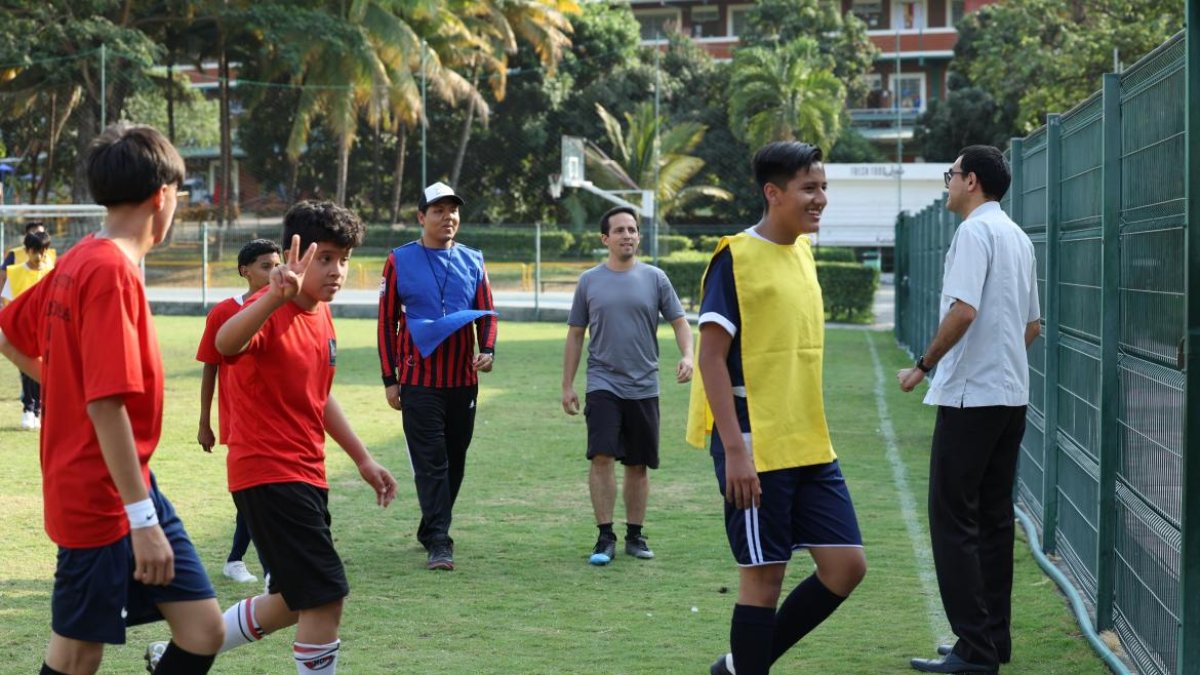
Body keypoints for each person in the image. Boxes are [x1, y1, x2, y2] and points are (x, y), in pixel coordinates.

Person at [0, 123, 224, 675]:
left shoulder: (81, 258)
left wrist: (67, 387)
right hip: (100, 498)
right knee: (77, 657)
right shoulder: (105, 271)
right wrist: (141, 520)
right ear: (162, 195)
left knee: (203, 630)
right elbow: (105, 404)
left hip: (130, 485)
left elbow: (10, 334)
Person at [686, 141, 867, 675]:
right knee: (764, 578)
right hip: (755, 441)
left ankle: (739, 666)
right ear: (773, 193)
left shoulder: (803, 252)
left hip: (808, 438)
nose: (821, 198)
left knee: (846, 566)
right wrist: (736, 452)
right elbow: (711, 358)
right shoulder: (735, 258)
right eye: (809, 188)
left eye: (823, 187)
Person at [898, 145, 1040, 675]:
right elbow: (1031, 326)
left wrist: (923, 365)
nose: (949, 183)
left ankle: (974, 649)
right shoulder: (1018, 236)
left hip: (970, 397)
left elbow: (963, 311)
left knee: (953, 518)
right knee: (994, 518)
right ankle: (992, 639)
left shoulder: (973, 233)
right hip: (1010, 397)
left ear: (972, 180)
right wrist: (1000, 364)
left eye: (951, 175)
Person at [561, 205, 693, 565]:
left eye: (632, 229)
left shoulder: (656, 278)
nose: (628, 235)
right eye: (619, 230)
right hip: (603, 383)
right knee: (601, 455)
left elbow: (680, 323)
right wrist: (567, 385)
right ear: (605, 239)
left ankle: (635, 535)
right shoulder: (589, 281)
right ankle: (605, 536)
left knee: (638, 464)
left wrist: (688, 356)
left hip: (644, 385)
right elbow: (575, 334)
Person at [377, 181, 497, 572]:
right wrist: (390, 379)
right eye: (438, 211)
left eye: (453, 211)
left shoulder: (474, 260)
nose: (448, 218)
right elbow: (386, 323)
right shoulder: (399, 260)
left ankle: (431, 525)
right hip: (418, 382)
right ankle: (440, 542)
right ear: (421, 217)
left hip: (463, 382)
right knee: (432, 463)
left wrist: (488, 350)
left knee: (455, 460)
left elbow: (487, 313)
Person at [194, 238, 282, 585]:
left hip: (278, 420)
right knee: (255, 494)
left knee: (264, 494)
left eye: (278, 265)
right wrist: (204, 422)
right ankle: (265, 567)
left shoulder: (286, 307)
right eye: (266, 266)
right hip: (241, 420)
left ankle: (237, 560)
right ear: (245, 271)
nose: (274, 272)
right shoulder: (223, 312)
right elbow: (210, 368)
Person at [1, 229, 54, 430]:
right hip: (22, 330)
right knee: (26, 369)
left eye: (43, 251)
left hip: (46, 330)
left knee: (42, 369)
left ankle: (37, 410)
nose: (39, 255)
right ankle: (28, 409)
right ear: (27, 250)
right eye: (35, 251)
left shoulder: (51, 272)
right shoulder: (15, 273)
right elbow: (7, 301)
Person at [0, 220, 57, 292]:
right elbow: (3, 277)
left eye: (41, 234)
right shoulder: (14, 254)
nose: (38, 238)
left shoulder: (51, 254)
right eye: (36, 234)